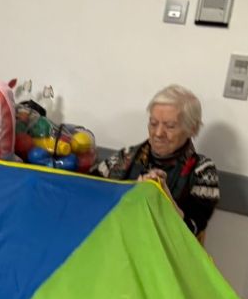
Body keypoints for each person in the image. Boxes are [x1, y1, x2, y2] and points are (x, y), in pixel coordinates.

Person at [92, 84, 220, 237]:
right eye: (153, 123)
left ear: (191, 129)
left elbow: (191, 231)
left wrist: (164, 198)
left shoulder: (203, 171)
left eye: (170, 126)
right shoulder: (127, 157)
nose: (158, 133)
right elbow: (90, 191)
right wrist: (131, 191)